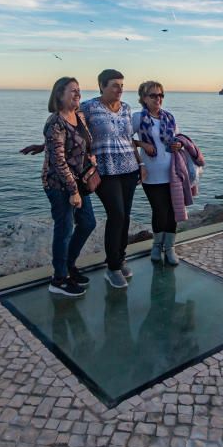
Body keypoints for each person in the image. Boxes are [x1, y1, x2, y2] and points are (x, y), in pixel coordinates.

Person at [81, 69, 141, 290]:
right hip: (105, 170)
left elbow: (129, 138)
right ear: (102, 86)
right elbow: (71, 131)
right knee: (116, 214)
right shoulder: (88, 107)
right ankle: (112, 267)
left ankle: (121, 257)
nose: (120, 90)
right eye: (115, 85)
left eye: (122, 85)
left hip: (129, 168)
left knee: (125, 216)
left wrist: (140, 164)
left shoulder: (126, 108)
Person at [41, 77, 97, 297]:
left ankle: (69, 265)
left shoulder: (80, 116)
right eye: (73, 91)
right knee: (64, 229)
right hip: (59, 184)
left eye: (79, 90)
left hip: (80, 181)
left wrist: (91, 159)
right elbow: (58, 160)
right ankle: (59, 279)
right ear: (59, 95)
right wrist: (73, 191)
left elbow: (83, 144)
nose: (78, 94)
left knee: (88, 223)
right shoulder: (54, 123)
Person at [133, 81, 185, 265]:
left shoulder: (169, 117)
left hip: (172, 173)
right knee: (159, 211)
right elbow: (124, 139)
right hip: (151, 174)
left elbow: (178, 139)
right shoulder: (137, 118)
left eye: (161, 95)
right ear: (143, 98)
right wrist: (142, 144)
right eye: (153, 95)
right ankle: (156, 246)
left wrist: (178, 144)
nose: (158, 99)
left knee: (172, 211)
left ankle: (170, 248)